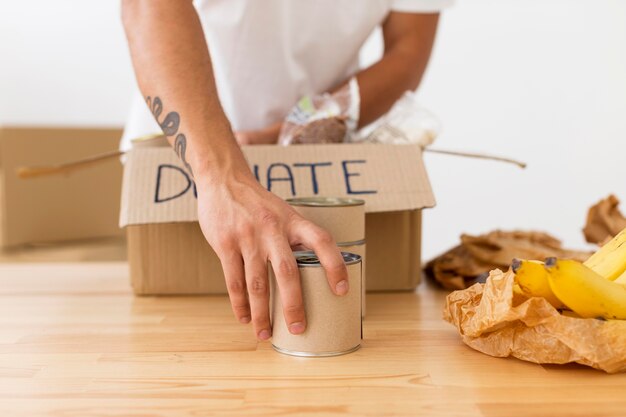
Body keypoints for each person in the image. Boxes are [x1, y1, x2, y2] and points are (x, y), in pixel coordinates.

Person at [121, 0, 451, 341]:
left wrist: (296, 129)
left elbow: (407, 50)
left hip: (317, 160)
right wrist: (221, 176)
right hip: (185, 160)